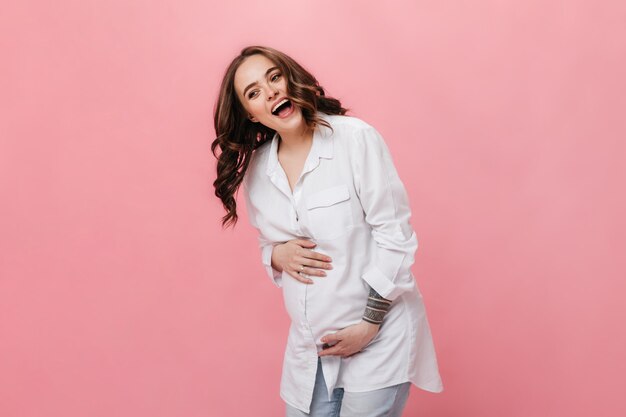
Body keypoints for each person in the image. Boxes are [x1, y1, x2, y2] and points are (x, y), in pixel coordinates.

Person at [211, 45, 443, 417]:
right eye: (253, 92)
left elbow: (395, 237)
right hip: (311, 348)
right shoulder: (258, 171)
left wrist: (369, 325)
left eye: (274, 77)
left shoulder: (355, 139)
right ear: (250, 114)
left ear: (291, 78)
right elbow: (268, 240)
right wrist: (275, 253)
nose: (270, 92)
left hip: (378, 337)